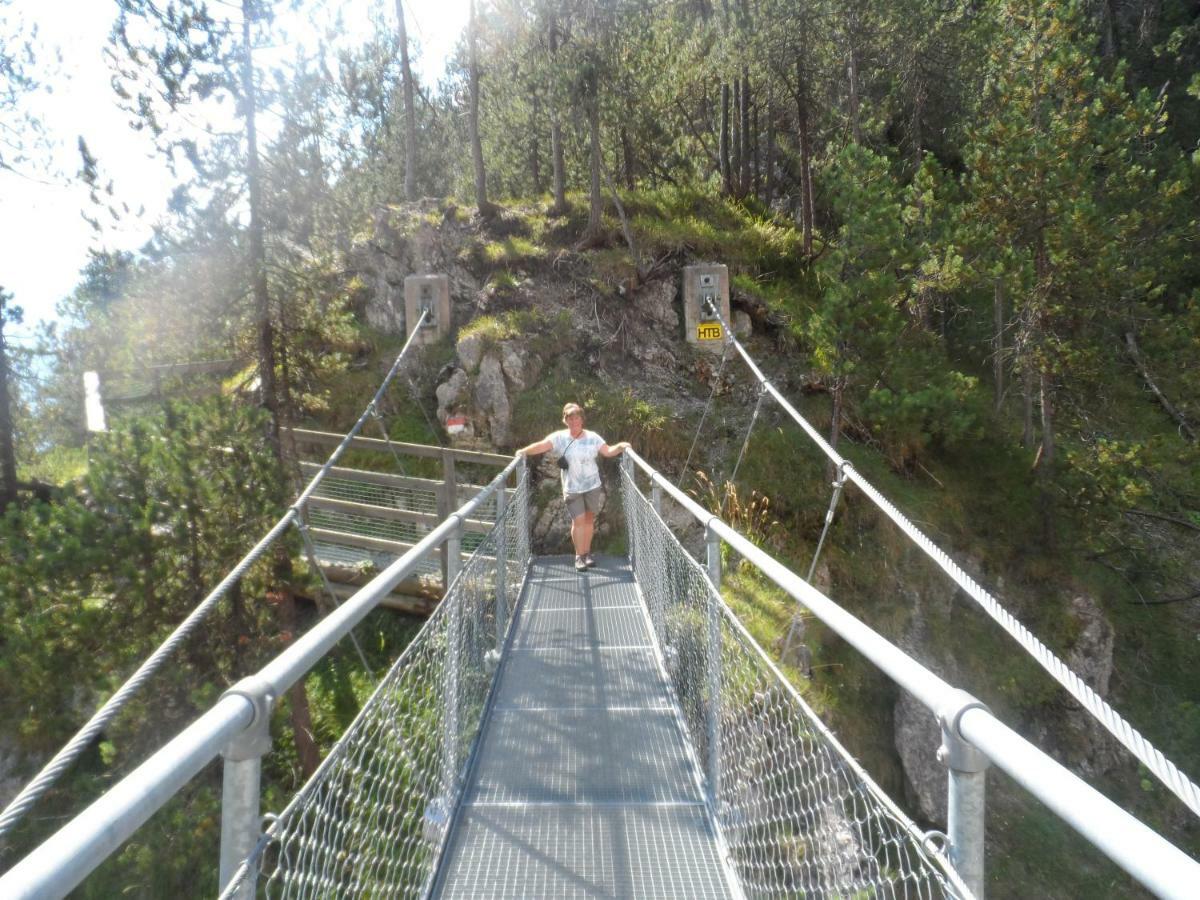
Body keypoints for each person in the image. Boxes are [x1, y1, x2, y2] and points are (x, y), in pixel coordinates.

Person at [517, 402, 631, 572]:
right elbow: (542, 445)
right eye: (570, 418)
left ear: (582, 419)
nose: (574, 421)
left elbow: (607, 451)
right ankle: (579, 556)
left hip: (592, 485)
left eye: (577, 418)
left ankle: (586, 553)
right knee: (578, 521)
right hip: (572, 487)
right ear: (565, 420)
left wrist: (622, 446)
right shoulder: (559, 437)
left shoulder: (593, 437)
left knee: (589, 520)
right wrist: (523, 452)